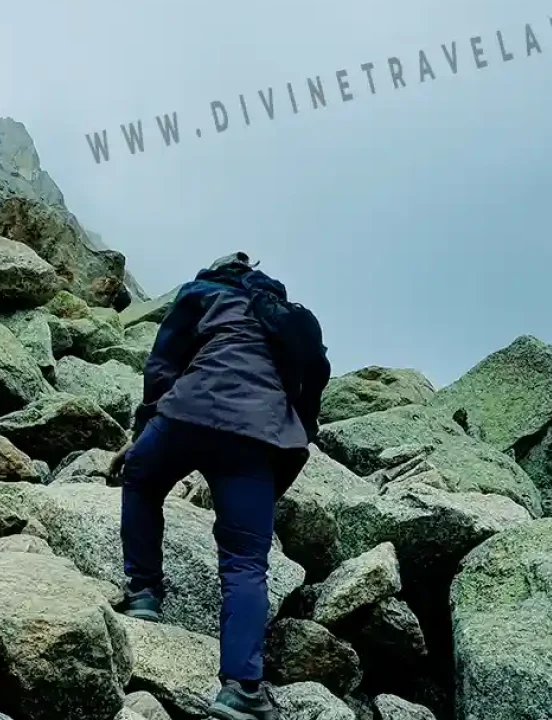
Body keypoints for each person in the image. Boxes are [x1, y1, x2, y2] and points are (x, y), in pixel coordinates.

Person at [108, 251, 330, 720]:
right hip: (258, 440)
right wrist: (296, 433)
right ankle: (241, 688)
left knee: (143, 480)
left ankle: (144, 592)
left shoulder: (201, 292)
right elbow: (313, 381)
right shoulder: (286, 319)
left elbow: (162, 367)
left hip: (189, 413)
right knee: (246, 563)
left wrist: (142, 436)